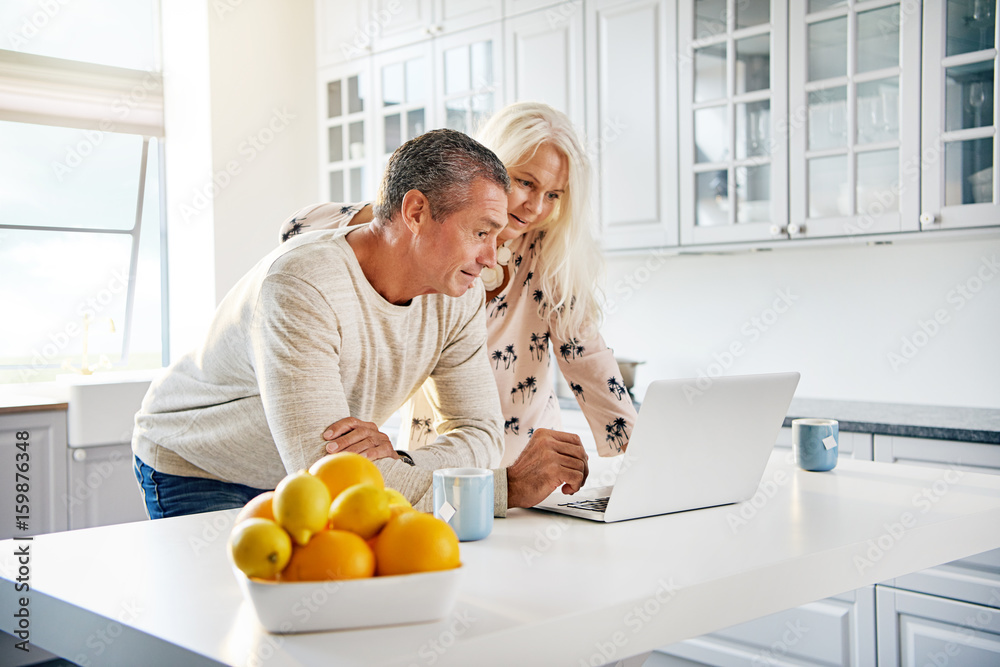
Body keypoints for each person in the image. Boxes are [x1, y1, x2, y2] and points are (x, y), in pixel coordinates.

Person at [132, 128, 589, 520]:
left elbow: (481, 436)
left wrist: (397, 460)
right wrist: (501, 490)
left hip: (304, 475)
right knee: (237, 613)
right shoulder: (302, 284)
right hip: (201, 465)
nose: (491, 259)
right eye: (480, 232)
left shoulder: (459, 293)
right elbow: (331, 474)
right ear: (415, 213)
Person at [279, 102, 637, 469]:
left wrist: (641, 455)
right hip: (435, 459)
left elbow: (588, 357)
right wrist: (403, 213)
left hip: (527, 466)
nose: (535, 207)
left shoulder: (549, 256)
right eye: (526, 183)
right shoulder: (425, 238)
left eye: (553, 195)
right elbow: (297, 228)